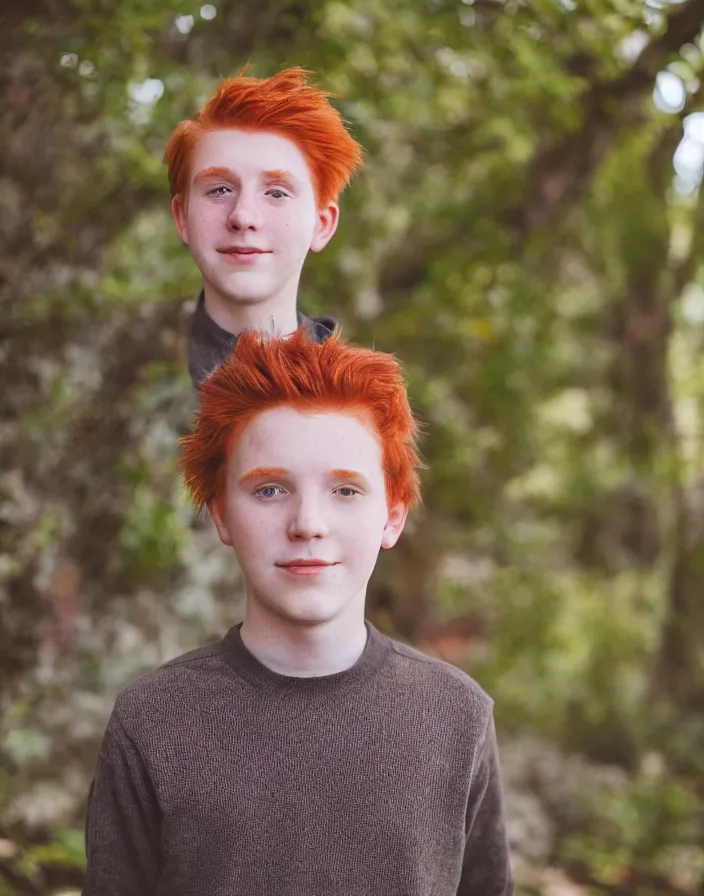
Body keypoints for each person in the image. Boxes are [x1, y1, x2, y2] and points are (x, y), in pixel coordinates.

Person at [83, 329, 513, 896]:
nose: (308, 523)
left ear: (392, 516)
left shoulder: (457, 717)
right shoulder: (153, 721)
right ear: (220, 515)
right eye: (269, 490)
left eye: (345, 491)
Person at [164, 67, 363, 387]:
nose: (243, 217)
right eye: (219, 190)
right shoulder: (120, 379)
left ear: (322, 224)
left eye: (276, 193)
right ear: (181, 217)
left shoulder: (363, 401)